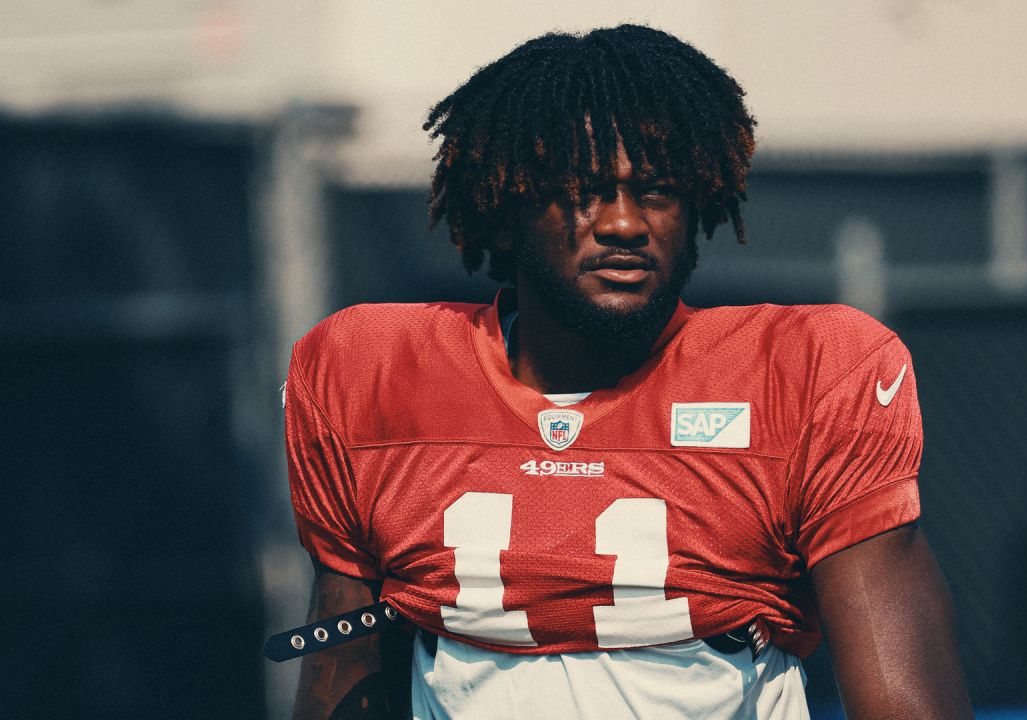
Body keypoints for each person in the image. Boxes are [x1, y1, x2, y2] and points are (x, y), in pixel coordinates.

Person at [281, 24, 972, 720]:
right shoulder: (373, 374)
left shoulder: (806, 374)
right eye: (583, 191)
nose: (623, 222)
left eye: (658, 191)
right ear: (502, 214)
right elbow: (343, 668)